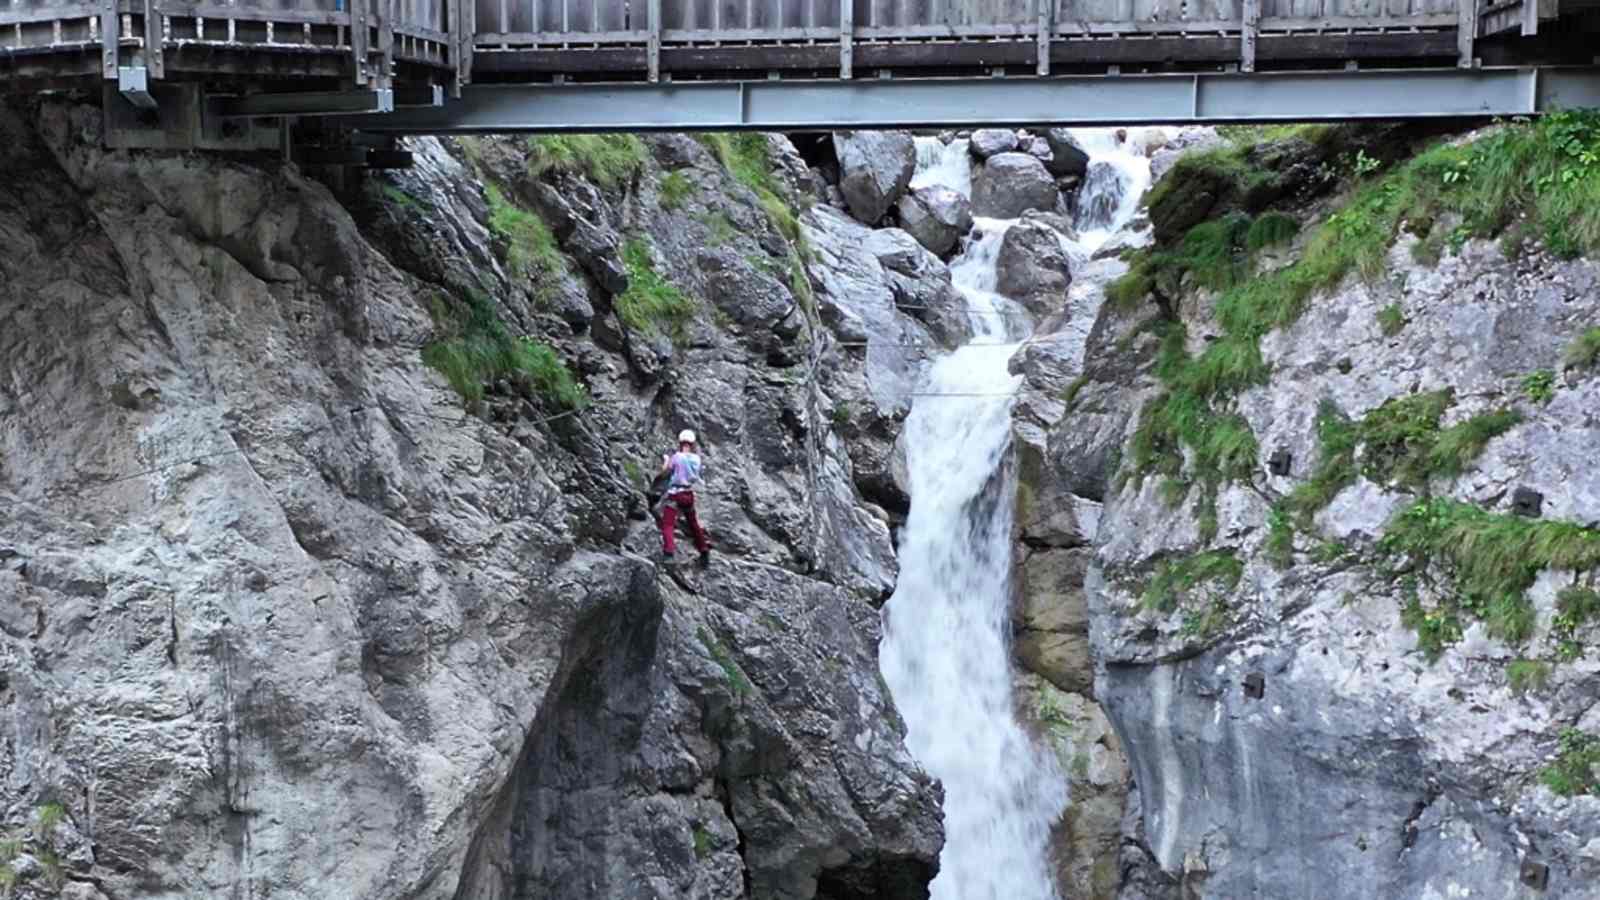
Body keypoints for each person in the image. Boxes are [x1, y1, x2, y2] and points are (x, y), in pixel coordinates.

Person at [657, 428, 711, 567]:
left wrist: (666, 459)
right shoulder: (696, 459)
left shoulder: (676, 457)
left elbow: (665, 471)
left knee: (668, 523)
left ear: (680, 442)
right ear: (692, 444)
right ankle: (704, 550)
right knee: (693, 524)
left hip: (676, 494)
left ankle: (669, 553)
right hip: (688, 494)